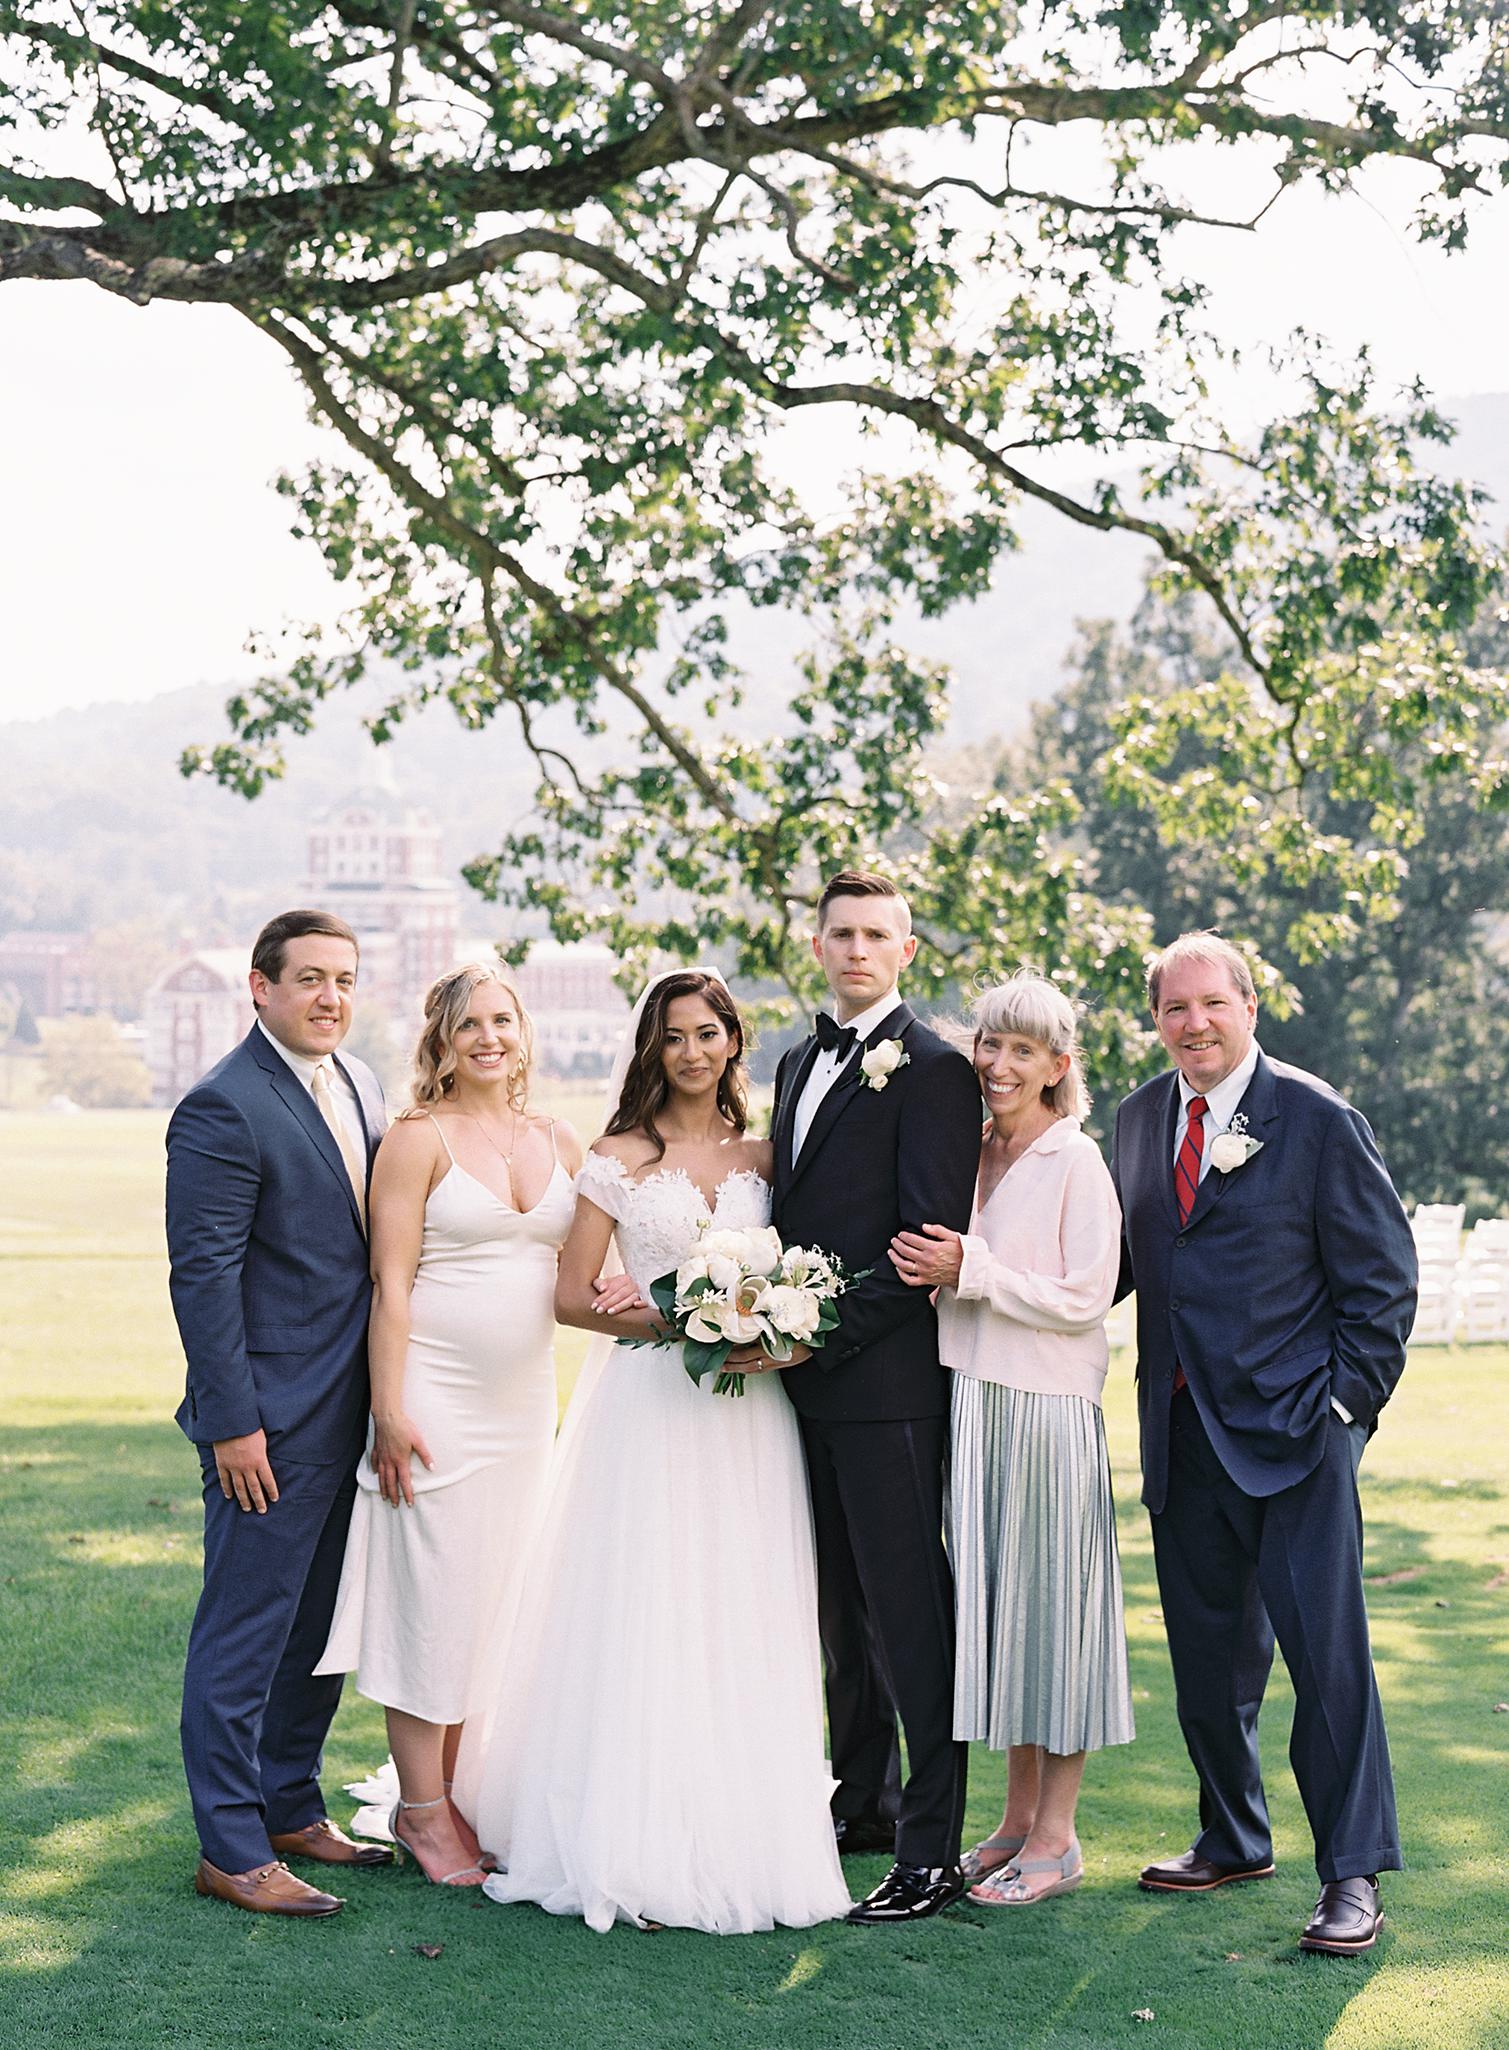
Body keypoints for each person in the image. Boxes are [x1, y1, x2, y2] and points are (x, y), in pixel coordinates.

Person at [455, 970, 851, 1934]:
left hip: (750, 1417)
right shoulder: (618, 1157)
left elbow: (801, 1276)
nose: (691, 1052)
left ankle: (741, 1826)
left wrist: (776, 1327)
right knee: (647, 1596)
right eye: (672, 1036)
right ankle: (624, 1828)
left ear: (731, 1042)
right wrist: (684, 1325)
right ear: (651, 1048)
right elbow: (571, 1292)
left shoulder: (768, 1157)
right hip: (648, 1408)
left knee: (740, 1598)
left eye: (707, 1032)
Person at [1111, 930, 1416, 1956]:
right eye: (1173, 1010)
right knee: (1206, 1663)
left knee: (1329, 1667)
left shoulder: (1320, 1118)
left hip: (1297, 1438)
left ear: (1249, 1006)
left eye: (1212, 1004)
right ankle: (1232, 1835)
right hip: (1183, 1434)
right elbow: (1111, 1264)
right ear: (1156, 1022)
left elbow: (1383, 1282)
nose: (1194, 1023)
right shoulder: (1139, 1118)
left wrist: (1343, 1413)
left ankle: (1353, 1876)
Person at [314, 964, 580, 1886]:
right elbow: (390, 1286)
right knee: (431, 1602)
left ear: (523, 1031)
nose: (488, 1038)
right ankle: (422, 1814)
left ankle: (461, 1795)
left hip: (522, 1411)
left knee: (493, 1606)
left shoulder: (559, 1139)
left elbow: (592, 1269)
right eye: (468, 1025)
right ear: (440, 1041)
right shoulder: (417, 1140)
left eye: (502, 1020)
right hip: (431, 1402)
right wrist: (388, 1411)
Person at [166, 908, 393, 1917]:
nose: (330, 997)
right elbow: (202, 1276)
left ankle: (291, 1803)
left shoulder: (361, 1083)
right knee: (245, 1633)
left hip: (355, 1411)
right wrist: (231, 1424)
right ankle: (229, 1846)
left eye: (343, 979)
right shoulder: (223, 1105)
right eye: (309, 979)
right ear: (260, 988)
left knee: (317, 1627)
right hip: (267, 1421)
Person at [889, 973, 1133, 1907]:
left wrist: (971, 1267)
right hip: (976, 1401)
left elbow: (1083, 1295)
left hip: (1047, 1410)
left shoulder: (1075, 1161)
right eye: (989, 1044)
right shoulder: (975, 1149)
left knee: (1053, 1620)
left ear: (1056, 1068)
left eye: (1021, 1051)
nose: (996, 1064)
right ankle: (1014, 1819)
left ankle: (1059, 1838)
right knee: (1002, 1615)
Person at [771, 871, 981, 1923]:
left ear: (907, 952)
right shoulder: (798, 1060)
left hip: (888, 1387)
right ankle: (865, 1802)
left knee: (910, 1618)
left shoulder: (936, 1070)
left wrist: (818, 1338)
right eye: (840, 932)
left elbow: (921, 1247)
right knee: (839, 1614)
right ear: (816, 944)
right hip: (799, 1391)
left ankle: (933, 1852)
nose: (856, 949)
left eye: (877, 935)